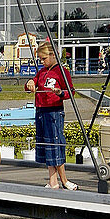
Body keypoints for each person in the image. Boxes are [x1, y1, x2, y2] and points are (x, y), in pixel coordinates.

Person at [25, 41, 77, 190]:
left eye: (44, 59)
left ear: (53, 55)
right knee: (47, 144)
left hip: (54, 111)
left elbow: (71, 91)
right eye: (40, 59)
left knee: (55, 143)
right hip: (41, 110)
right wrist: (30, 82)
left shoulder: (61, 71)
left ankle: (63, 180)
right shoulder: (41, 72)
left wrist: (60, 93)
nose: (42, 62)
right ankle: (53, 180)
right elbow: (31, 84)